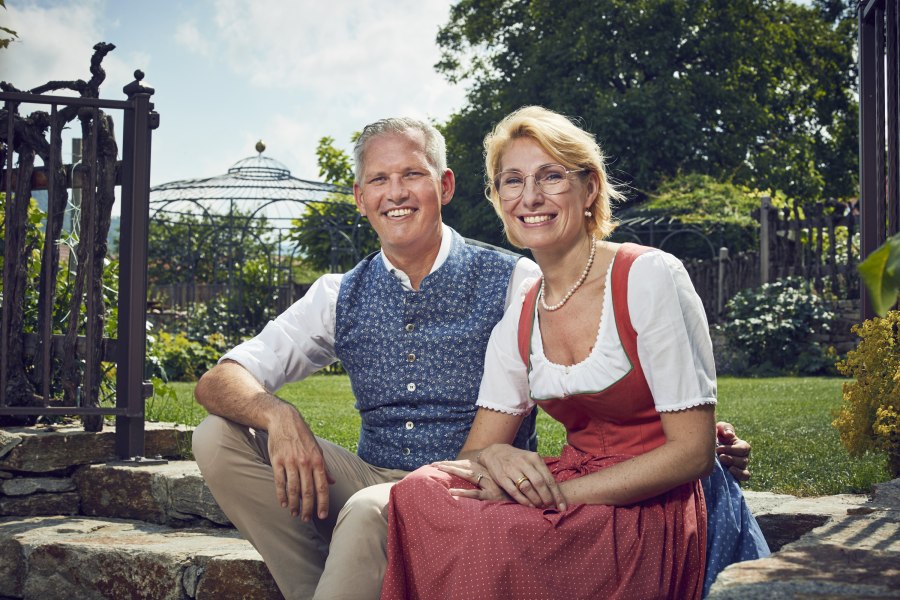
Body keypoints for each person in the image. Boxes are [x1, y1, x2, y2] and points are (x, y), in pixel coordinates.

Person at [191, 116, 757, 600]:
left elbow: (629, 387)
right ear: (360, 198)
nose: (396, 192)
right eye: (378, 180)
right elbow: (219, 380)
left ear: (445, 185)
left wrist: (698, 437)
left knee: (372, 509)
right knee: (217, 436)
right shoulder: (339, 293)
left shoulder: (521, 279)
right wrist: (277, 414)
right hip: (398, 474)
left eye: (411, 174)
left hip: (461, 480)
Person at [380, 106, 770, 600]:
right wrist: (497, 455)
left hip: (650, 502)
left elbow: (692, 453)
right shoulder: (523, 309)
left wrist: (554, 499)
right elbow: (475, 454)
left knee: (496, 533)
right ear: (499, 199)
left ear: (590, 189)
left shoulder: (647, 277)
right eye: (513, 181)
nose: (531, 197)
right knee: (418, 490)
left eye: (551, 177)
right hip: (574, 480)